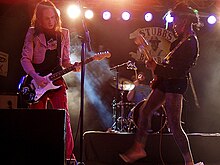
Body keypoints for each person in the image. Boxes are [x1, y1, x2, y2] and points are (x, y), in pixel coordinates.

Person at [120, 3, 204, 165]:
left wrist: (157, 68)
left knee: (174, 125)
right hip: (165, 82)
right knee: (145, 111)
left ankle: (189, 162)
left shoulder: (191, 43)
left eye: (175, 21)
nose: (172, 25)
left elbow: (177, 71)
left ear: (185, 21)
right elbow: (167, 68)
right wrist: (156, 71)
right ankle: (139, 148)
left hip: (176, 84)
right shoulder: (177, 43)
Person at [20, 0, 80, 164]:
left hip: (56, 81)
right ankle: (35, 155)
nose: (51, 21)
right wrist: (36, 77)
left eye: (53, 17)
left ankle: (67, 156)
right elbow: (25, 59)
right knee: (36, 120)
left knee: (64, 118)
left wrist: (73, 66)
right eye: (47, 18)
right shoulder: (33, 33)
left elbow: (65, 61)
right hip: (36, 82)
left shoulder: (63, 34)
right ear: (39, 19)